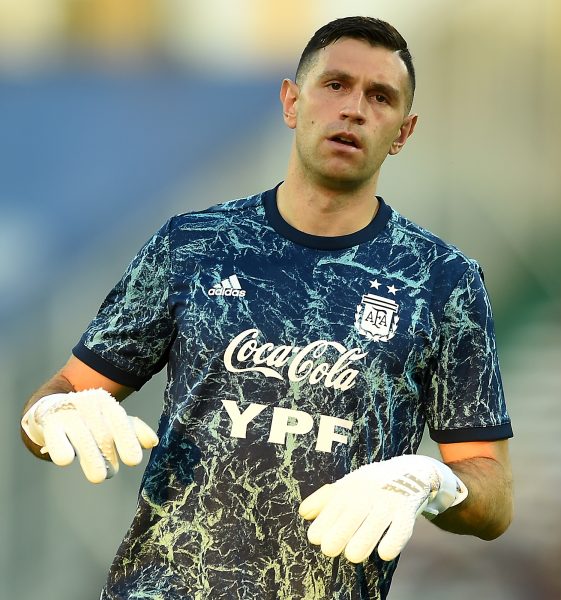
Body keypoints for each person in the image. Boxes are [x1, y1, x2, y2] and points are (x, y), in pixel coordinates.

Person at [21, 16, 513, 600]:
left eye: (380, 97)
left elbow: (493, 498)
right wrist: (51, 414)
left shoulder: (442, 280)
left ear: (402, 133)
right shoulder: (193, 244)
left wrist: (430, 481)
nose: (354, 110)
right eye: (335, 85)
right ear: (291, 101)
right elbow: (63, 394)